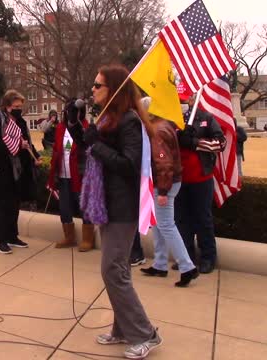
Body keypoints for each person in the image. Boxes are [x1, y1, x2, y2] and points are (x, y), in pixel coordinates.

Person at [82, 64, 162, 358]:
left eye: (97, 85)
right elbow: (98, 154)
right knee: (117, 270)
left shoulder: (129, 121)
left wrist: (97, 146)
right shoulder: (110, 120)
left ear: (113, 89)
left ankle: (145, 334)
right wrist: (87, 135)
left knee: (112, 270)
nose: (92, 89)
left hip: (123, 207)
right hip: (108, 203)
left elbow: (129, 166)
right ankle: (122, 329)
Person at [139, 98, 199, 287]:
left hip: (164, 184)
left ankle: (187, 267)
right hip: (166, 183)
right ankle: (160, 264)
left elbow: (163, 163)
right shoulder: (162, 126)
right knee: (159, 224)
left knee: (166, 225)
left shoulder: (156, 131)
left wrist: (163, 190)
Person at [174, 82, 226, 274]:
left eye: (184, 98)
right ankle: (186, 256)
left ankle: (208, 257)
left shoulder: (205, 118)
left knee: (202, 219)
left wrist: (195, 143)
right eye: (178, 99)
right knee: (181, 220)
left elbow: (221, 143)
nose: (182, 101)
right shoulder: (171, 119)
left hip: (201, 178)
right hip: (178, 178)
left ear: (192, 98)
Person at [0, 90, 42, 254]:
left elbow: (27, 143)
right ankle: (1, 240)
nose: (19, 109)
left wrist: (35, 157)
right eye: (16, 106)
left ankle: (12, 236)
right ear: (7, 106)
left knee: (14, 205)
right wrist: (17, 147)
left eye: (20, 106)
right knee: (4, 205)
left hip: (18, 169)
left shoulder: (21, 123)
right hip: (2, 169)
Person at [47, 99, 95, 251]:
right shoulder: (61, 127)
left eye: (74, 111)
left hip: (79, 174)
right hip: (63, 174)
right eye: (69, 111)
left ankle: (88, 239)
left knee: (83, 205)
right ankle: (69, 237)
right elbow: (56, 149)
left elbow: (89, 149)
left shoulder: (85, 127)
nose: (71, 114)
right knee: (64, 206)